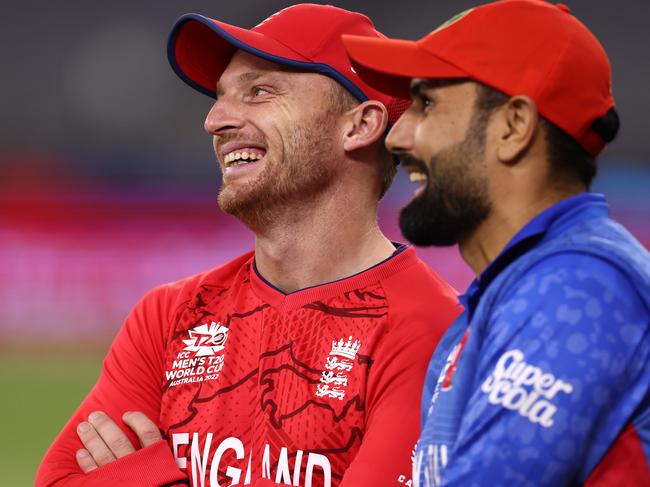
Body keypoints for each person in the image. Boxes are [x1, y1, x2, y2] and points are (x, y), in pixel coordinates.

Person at [36, 4, 460, 487]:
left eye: (258, 91)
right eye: (219, 98)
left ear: (360, 126)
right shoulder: (168, 315)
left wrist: (152, 477)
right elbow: (58, 479)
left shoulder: (431, 332)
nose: (215, 121)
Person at [341, 0, 650, 485]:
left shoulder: (577, 288)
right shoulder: (504, 299)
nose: (397, 137)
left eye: (427, 103)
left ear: (513, 126)